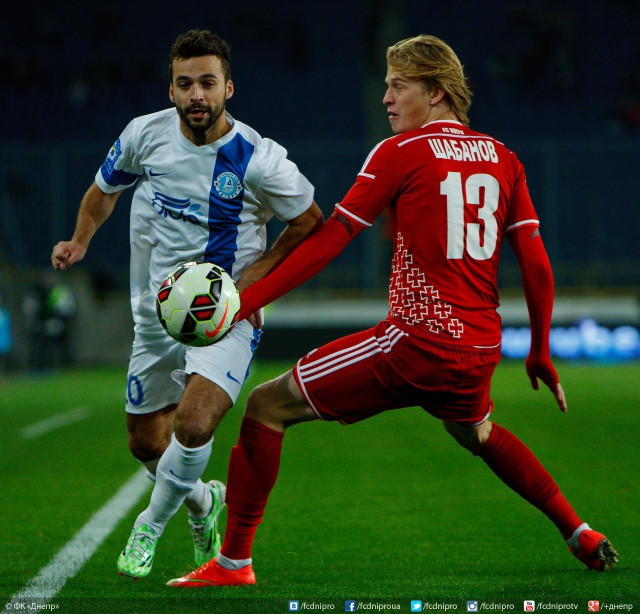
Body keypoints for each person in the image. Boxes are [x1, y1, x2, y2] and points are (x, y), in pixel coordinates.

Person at [167, 34, 618, 587]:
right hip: (479, 347)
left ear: (435, 92)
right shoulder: (505, 158)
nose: (386, 98)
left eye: (398, 86)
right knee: (476, 432)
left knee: (265, 405)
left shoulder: (401, 151)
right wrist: (541, 348)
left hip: (414, 343)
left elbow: (333, 239)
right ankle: (579, 531)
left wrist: (243, 303)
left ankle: (233, 563)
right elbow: (537, 263)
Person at [51, 29, 323, 579]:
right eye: (185, 84)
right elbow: (103, 190)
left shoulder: (258, 158)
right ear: (171, 90)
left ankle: (148, 526)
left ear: (228, 88)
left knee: (194, 424)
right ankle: (203, 500)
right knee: (145, 443)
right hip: (158, 314)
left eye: (207, 83)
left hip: (227, 315)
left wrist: (255, 276)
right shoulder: (144, 135)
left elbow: (311, 221)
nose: (197, 95)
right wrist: (80, 239)